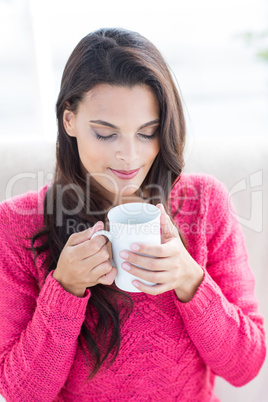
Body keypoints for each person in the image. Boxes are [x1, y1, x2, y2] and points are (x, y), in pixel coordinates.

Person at [0, 27, 266, 402]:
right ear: (69, 121)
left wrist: (190, 279)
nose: (129, 155)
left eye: (147, 132)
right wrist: (65, 288)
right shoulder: (18, 222)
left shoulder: (205, 203)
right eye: (106, 134)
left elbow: (246, 366)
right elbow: (22, 393)